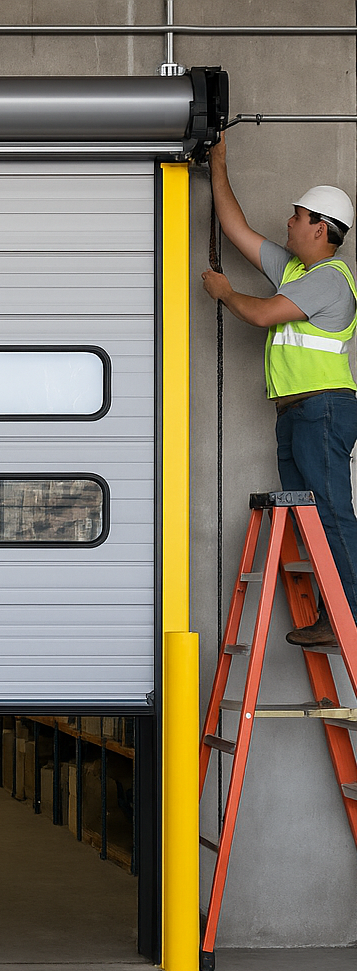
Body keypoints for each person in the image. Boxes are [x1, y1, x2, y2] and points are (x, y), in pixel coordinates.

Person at [201, 136, 357, 646]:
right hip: (296, 413)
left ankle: (349, 617)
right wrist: (218, 163)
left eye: (297, 215)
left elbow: (264, 314)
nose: (287, 222)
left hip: (323, 410)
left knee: (331, 511)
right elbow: (235, 228)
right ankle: (333, 613)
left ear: (320, 226)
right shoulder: (295, 270)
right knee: (311, 515)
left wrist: (225, 294)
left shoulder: (331, 279)